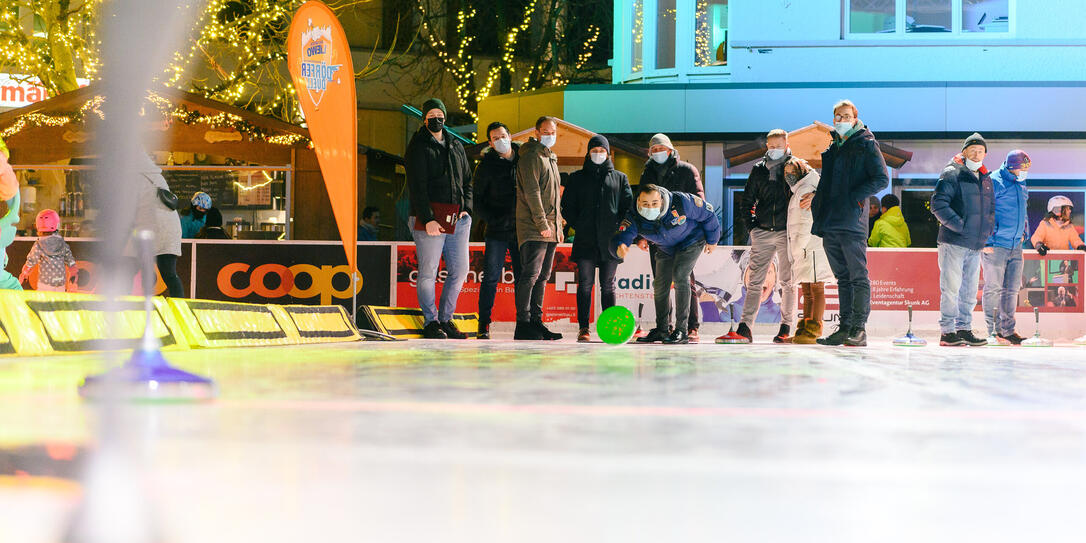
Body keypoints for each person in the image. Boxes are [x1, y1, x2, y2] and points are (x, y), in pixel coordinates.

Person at [809, 100, 889, 347]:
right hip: (830, 220)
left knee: (857, 276)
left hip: (852, 221)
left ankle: (859, 328)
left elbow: (881, 178)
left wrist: (853, 197)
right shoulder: (834, 146)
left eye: (846, 116)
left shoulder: (866, 144)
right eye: (838, 116)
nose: (842, 120)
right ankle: (844, 327)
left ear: (855, 119)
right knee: (842, 277)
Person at [613, 184, 720, 344]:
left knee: (680, 275)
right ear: (638, 202)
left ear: (661, 201)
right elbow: (625, 232)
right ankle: (662, 330)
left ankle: (682, 330)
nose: (650, 207)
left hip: (692, 241)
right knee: (660, 284)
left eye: (654, 203)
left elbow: (708, 213)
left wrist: (713, 239)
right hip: (665, 247)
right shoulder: (634, 215)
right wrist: (622, 244)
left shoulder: (681, 201)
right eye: (645, 204)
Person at [406, 97, 474, 340]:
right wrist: (427, 219)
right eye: (431, 115)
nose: (436, 118)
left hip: (458, 218)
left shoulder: (455, 144)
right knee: (428, 271)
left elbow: (467, 180)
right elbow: (417, 187)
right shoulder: (418, 146)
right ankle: (431, 321)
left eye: (439, 114)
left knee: (460, 270)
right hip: (431, 219)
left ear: (445, 117)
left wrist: (466, 208)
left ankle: (446, 319)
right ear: (424, 119)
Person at [562, 134, 633, 342]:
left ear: (608, 153)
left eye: (602, 151)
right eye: (594, 151)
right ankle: (583, 328)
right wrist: (580, 224)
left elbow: (627, 207)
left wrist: (619, 228)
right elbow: (567, 207)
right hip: (585, 240)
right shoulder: (577, 178)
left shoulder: (619, 178)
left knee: (608, 285)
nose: (598, 154)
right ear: (588, 153)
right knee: (585, 284)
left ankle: (610, 327)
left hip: (610, 241)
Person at [639, 133, 706, 341]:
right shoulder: (647, 173)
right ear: (650, 153)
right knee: (661, 281)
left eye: (662, 149)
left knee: (684, 279)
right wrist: (641, 235)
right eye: (654, 150)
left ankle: (690, 326)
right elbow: (641, 204)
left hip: (684, 236)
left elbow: (699, 201)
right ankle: (663, 327)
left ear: (670, 150)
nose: (658, 152)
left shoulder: (686, 170)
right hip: (658, 237)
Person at [931, 133, 995, 347]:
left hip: (975, 245)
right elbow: (938, 205)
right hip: (953, 242)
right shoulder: (952, 173)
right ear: (964, 151)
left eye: (981, 151)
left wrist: (985, 233)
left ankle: (964, 328)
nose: (977, 155)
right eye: (973, 150)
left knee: (968, 291)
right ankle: (947, 331)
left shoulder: (985, 178)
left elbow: (990, 210)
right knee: (951, 289)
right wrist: (961, 227)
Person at [733, 129, 797, 343]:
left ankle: (786, 326)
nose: (774, 150)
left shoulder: (796, 167)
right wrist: (752, 227)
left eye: (778, 146)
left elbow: (805, 195)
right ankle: (745, 327)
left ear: (786, 144)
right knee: (754, 282)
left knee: (788, 281)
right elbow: (747, 200)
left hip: (786, 232)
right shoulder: (758, 169)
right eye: (770, 147)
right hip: (762, 232)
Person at [514, 116, 564, 341]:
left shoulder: (549, 157)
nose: (549, 135)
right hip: (534, 227)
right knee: (531, 275)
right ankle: (523, 323)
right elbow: (532, 192)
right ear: (536, 132)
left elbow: (554, 197)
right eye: (545, 131)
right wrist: (543, 224)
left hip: (550, 228)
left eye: (552, 131)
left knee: (543, 276)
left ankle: (536, 321)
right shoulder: (532, 155)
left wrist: (558, 227)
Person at [781, 137, 834, 345]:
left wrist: (798, 248)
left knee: (816, 288)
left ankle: (814, 329)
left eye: (792, 173)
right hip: (804, 248)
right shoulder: (801, 189)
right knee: (806, 289)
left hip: (811, 247)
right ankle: (805, 327)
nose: (789, 177)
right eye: (786, 174)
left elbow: (805, 222)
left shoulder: (806, 189)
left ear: (801, 171)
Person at [473, 121, 521, 340]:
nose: (500, 140)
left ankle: (524, 322)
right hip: (497, 231)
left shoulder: (524, 160)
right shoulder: (485, 167)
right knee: (491, 277)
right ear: (491, 143)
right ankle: (483, 324)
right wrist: (493, 218)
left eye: (503, 135)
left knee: (524, 278)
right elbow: (477, 200)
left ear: (510, 135)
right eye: (495, 138)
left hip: (522, 229)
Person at [982, 150, 1030, 345]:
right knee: (993, 288)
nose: (1025, 172)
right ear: (1012, 166)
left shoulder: (1021, 183)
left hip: (1016, 245)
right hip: (996, 245)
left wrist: (1024, 231)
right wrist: (986, 240)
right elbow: (985, 211)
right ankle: (993, 331)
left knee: (1011, 290)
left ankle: (1008, 330)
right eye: (1022, 168)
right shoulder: (994, 181)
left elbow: (1023, 210)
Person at [130, 155, 184, 297]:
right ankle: (179, 308)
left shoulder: (136, 178)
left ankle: (131, 305)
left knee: (131, 267)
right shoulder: (155, 176)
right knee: (169, 273)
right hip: (170, 229)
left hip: (153, 227)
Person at [19, 209, 76, 292]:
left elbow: (31, 261)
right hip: (60, 282)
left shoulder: (39, 244)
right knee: (58, 303)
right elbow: (70, 260)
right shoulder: (62, 244)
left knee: (44, 303)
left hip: (45, 283)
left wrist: (25, 273)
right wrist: (73, 272)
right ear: (57, 225)